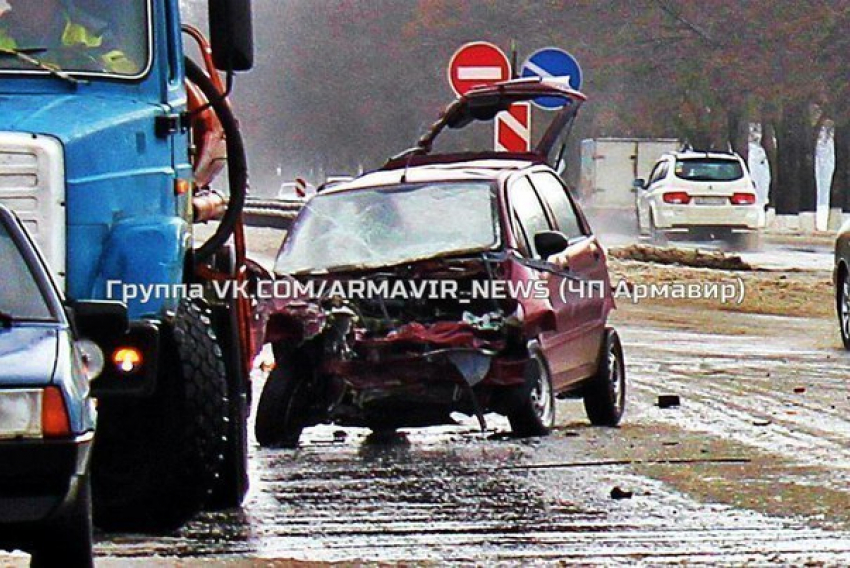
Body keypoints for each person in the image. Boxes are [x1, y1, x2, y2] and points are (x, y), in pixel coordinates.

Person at [0, 0, 136, 74]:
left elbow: (127, 77)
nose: (28, 6)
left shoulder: (92, 32)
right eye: (20, 1)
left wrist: (92, 66)